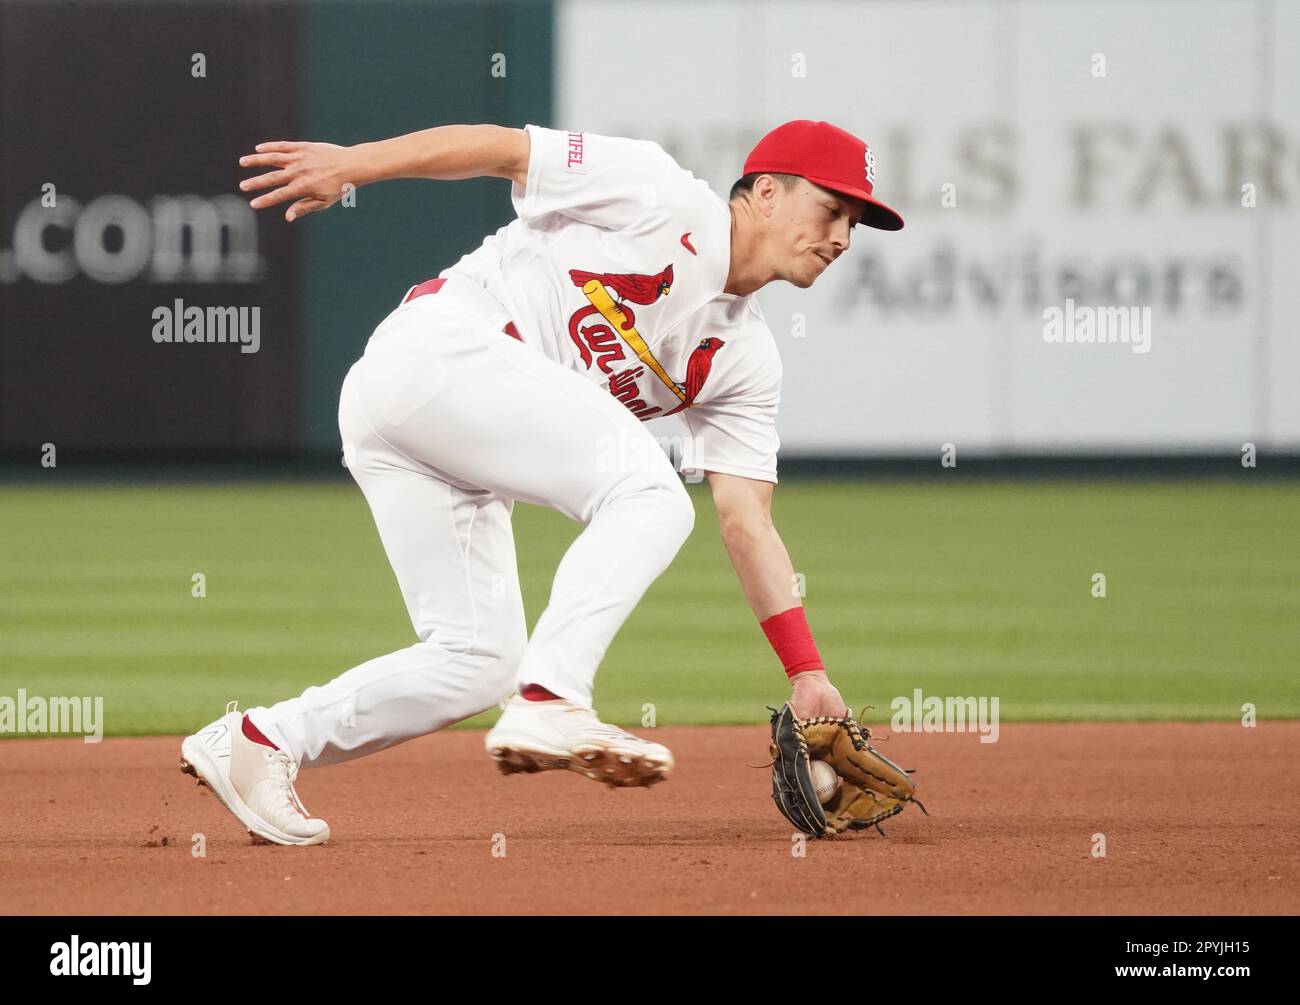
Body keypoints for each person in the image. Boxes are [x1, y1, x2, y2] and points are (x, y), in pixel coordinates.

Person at [179, 119, 905, 845]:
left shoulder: (746, 360)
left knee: (476, 661)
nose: (843, 237)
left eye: (856, 224)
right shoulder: (660, 191)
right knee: (647, 492)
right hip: (437, 350)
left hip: (434, 429)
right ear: (768, 193)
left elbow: (748, 520)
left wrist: (807, 672)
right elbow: (503, 149)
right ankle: (553, 697)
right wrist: (354, 165)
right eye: (833, 210)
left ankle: (258, 740)